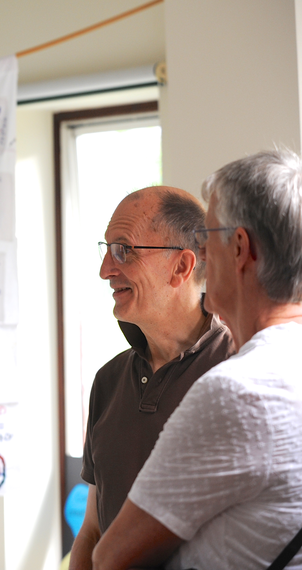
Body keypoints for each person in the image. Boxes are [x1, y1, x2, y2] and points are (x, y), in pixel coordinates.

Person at [93, 150, 302, 570]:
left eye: (208, 237)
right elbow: (95, 529)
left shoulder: (236, 388)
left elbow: (114, 557)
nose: (203, 253)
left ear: (239, 248)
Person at [69, 186, 236, 570]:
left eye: (124, 250)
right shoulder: (108, 380)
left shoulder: (237, 371)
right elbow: (94, 529)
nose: (105, 270)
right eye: (107, 249)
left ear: (181, 267)